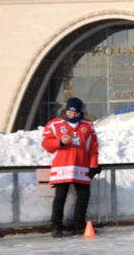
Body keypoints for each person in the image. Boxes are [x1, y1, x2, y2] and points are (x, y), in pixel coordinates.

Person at [41, 97, 98, 238]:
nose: (72, 115)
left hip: (82, 166)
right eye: (69, 112)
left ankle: (79, 225)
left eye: (75, 113)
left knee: (84, 196)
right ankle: (56, 226)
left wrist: (93, 165)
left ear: (80, 112)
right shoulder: (55, 124)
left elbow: (93, 147)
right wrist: (59, 142)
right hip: (62, 167)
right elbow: (46, 143)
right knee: (60, 197)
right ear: (66, 110)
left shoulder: (88, 126)